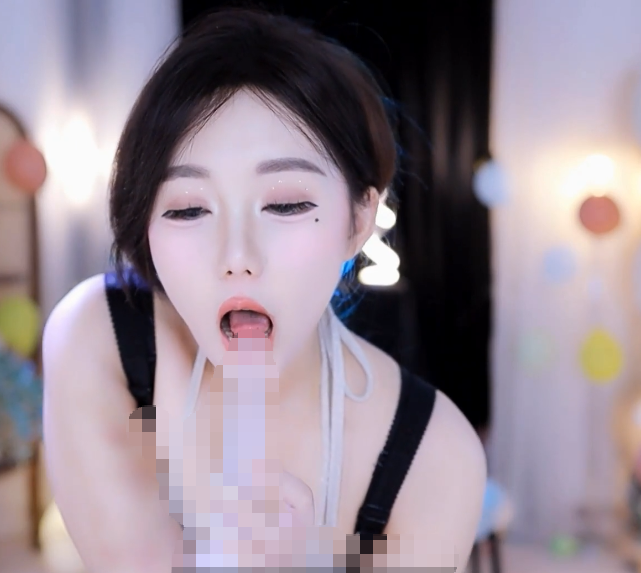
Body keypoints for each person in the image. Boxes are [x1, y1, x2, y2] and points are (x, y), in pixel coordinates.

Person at [42, 7, 486, 572]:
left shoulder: (434, 455)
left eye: (286, 204)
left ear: (359, 219)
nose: (237, 259)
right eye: (188, 208)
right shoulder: (99, 337)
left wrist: (306, 560)